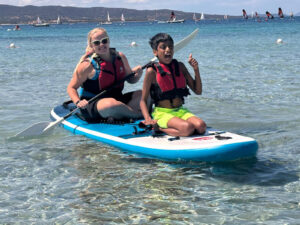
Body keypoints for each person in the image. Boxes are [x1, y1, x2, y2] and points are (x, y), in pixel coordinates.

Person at [67, 27, 144, 122]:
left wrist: (138, 75)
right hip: (94, 103)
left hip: (117, 99)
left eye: (104, 41)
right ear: (92, 45)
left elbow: (131, 80)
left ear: (108, 41)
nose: (101, 44)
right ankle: (137, 115)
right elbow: (71, 88)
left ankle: (119, 115)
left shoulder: (120, 57)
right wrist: (78, 101)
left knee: (144, 94)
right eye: (97, 42)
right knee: (110, 104)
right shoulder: (87, 65)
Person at [140, 33, 206, 137]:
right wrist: (148, 119)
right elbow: (143, 100)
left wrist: (196, 70)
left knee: (201, 126)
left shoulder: (180, 66)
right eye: (163, 47)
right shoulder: (151, 71)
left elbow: (198, 91)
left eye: (170, 46)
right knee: (187, 128)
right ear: (155, 52)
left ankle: (178, 128)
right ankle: (159, 128)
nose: (168, 49)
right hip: (162, 113)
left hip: (180, 111)